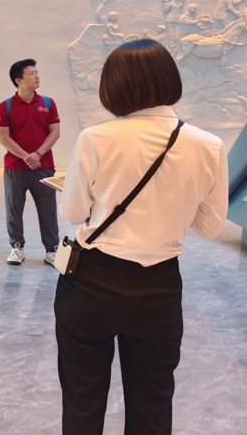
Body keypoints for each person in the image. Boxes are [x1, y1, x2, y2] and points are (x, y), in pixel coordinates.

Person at [57, 39, 228, 435]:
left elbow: (73, 212)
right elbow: (210, 226)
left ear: (114, 88)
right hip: (159, 287)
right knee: (152, 403)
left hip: (91, 283)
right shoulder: (209, 146)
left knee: (82, 401)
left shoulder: (95, 138)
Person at [0, 59, 61, 266]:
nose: (37, 76)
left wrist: (38, 154)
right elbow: (3, 137)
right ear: (18, 80)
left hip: (44, 167)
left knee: (48, 209)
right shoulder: (5, 107)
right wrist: (26, 156)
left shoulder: (48, 103)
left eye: (36, 72)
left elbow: (55, 132)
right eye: (31, 73)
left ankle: (51, 250)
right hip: (15, 168)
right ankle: (17, 247)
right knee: (14, 209)